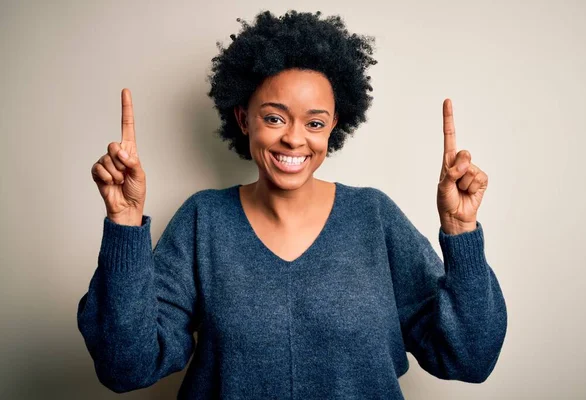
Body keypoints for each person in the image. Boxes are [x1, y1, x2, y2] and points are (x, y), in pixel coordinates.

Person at [77, 10, 507, 400]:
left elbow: (469, 357)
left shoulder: (372, 217)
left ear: (334, 126)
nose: (294, 139)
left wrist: (460, 230)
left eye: (314, 122)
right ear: (244, 119)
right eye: (274, 117)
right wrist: (125, 223)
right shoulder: (202, 219)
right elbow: (125, 366)